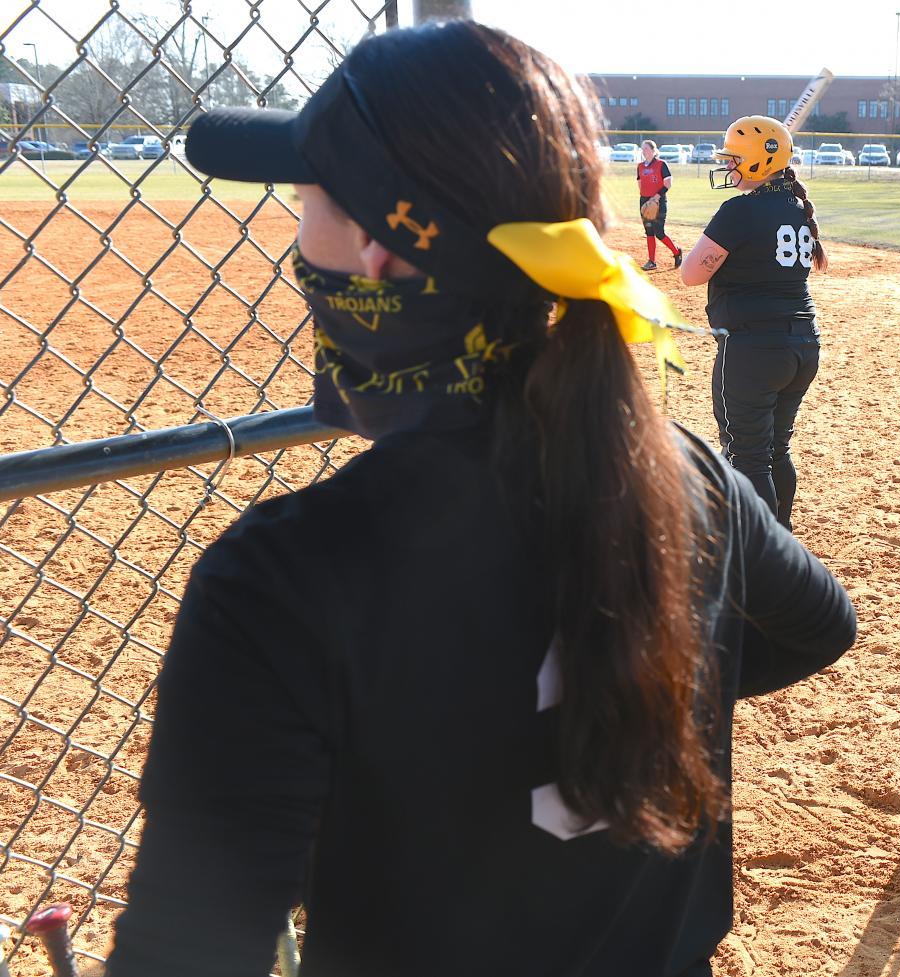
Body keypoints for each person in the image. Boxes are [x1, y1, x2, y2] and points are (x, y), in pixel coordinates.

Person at [103, 23, 856, 977]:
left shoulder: (285, 576)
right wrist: (623, 688)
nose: (299, 228)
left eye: (306, 200)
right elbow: (821, 625)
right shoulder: (684, 474)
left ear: (380, 252)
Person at [679, 116, 828, 530]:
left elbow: (691, 274)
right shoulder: (799, 208)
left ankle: (762, 556)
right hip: (802, 344)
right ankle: (780, 540)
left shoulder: (739, 210)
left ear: (757, 163)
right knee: (775, 450)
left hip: (753, 349)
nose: (728, 167)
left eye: (734, 159)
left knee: (746, 456)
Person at [637, 139, 683, 271]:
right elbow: (640, 184)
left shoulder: (661, 164)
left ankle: (676, 252)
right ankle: (652, 261)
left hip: (659, 201)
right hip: (645, 201)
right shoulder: (640, 166)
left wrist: (656, 197)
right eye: (643, 149)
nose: (644, 151)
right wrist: (645, 199)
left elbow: (668, 183)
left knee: (659, 232)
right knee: (649, 231)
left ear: (653, 150)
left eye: (646, 148)